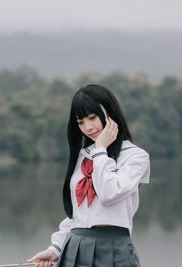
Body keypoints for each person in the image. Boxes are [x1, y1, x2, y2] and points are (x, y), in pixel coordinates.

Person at [27, 84, 150, 267]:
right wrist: (56, 248)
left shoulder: (135, 156)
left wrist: (100, 150)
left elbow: (109, 194)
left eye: (92, 117)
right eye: (81, 122)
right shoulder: (83, 156)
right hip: (75, 248)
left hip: (114, 249)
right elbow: (78, 214)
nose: (88, 127)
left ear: (111, 112)